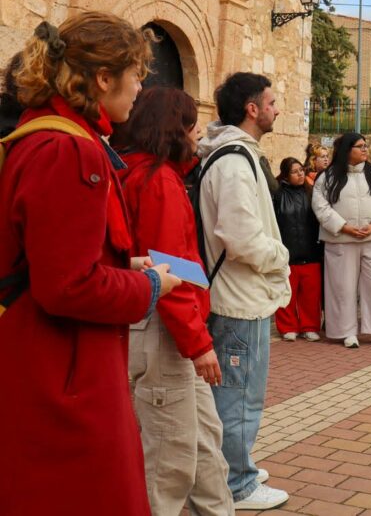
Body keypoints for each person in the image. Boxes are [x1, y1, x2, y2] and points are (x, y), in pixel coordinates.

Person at [0, 15, 180, 514]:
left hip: (51, 360)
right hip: (64, 373)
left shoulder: (45, 134)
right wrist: (149, 285)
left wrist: (123, 266)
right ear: (103, 78)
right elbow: (68, 286)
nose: (140, 88)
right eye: (136, 74)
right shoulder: (69, 149)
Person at [113, 86, 234, 514]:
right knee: (170, 457)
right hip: (165, 329)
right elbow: (167, 268)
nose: (198, 132)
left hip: (166, 324)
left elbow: (171, 260)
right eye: (191, 124)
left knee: (202, 443)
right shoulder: (158, 181)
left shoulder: (140, 173)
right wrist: (198, 342)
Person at [197, 71, 291, 510]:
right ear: (252, 109)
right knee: (238, 397)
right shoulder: (234, 162)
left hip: (241, 294)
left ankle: (235, 467)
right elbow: (240, 238)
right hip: (239, 298)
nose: (277, 110)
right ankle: (237, 483)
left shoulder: (235, 155)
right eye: (271, 103)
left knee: (239, 394)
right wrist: (280, 255)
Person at [313, 133, 371, 348]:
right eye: (360, 146)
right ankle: (346, 331)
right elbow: (320, 206)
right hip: (341, 240)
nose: (365, 149)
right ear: (346, 150)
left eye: (365, 145)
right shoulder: (328, 177)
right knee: (342, 287)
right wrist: (343, 227)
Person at [273, 157, 323, 342]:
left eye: (301, 170)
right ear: (286, 175)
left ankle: (310, 326)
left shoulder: (312, 193)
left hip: (311, 251)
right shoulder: (277, 195)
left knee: (311, 294)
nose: (300, 174)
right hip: (288, 253)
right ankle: (288, 326)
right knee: (287, 293)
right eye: (295, 172)